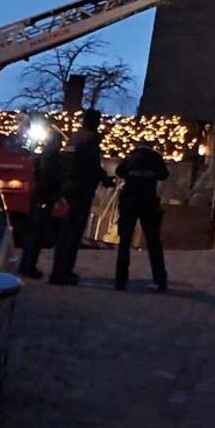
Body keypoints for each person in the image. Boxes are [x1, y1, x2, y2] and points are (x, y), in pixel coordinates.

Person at [47, 110, 112, 286]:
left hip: (69, 188)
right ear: (95, 122)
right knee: (74, 232)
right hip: (81, 190)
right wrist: (105, 179)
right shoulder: (90, 140)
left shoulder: (74, 138)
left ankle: (57, 270)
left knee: (65, 232)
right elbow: (92, 166)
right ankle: (63, 273)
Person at [113, 140, 169, 293]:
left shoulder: (131, 156)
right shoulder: (156, 157)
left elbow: (119, 171)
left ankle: (120, 280)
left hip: (129, 201)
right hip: (148, 202)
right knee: (153, 241)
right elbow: (164, 175)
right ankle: (160, 278)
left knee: (125, 241)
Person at [17, 126, 68, 278]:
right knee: (37, 234)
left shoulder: (44, 155)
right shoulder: (53, 157)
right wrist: (57, 193)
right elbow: (52, 178)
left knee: (34, 233)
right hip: (44, 197)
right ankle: (28, 266)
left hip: (40, 197)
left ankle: (26, 265)